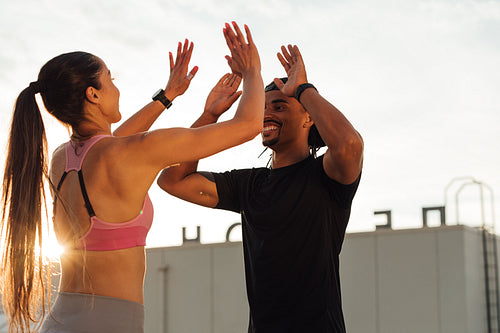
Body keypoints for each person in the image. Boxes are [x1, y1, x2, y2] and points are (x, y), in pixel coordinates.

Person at [0, 22, 263, 333]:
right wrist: (251, 72)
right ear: (93, 94)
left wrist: (169, 97)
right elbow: (249, 125)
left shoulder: (63, 159)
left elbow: (114, 143)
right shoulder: (128, 153)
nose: (117, 87)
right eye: (111, 79)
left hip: (59, 322)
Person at [158, 44, 364, 332]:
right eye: (263, 107)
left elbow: (349, 144)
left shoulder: (326, 176)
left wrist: (303, 88)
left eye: (279, 106)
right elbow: (172, 180)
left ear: (308, 118)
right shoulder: (249, 185)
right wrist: (209, 116)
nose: (267, 114)